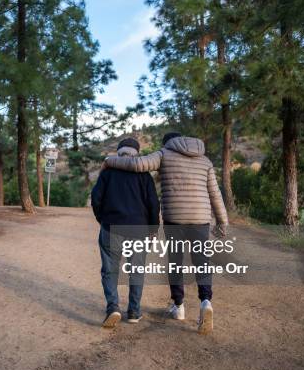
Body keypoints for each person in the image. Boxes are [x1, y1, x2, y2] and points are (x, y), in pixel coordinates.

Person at [103, 132, 228, 335]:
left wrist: (110, 160)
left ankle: (178, 306)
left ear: (167, 143)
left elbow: (137, 164)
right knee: (202, 261)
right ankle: (206, 301)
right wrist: (222, 221)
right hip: (200, 219)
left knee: (176, 262)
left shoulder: (165, 153)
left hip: (175, 218)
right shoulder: (205, 160)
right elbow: (215, 192)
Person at [91, 138, 160, 328]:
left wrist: (103, 219)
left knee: (110, 270)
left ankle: (113, 307)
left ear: (119, 152)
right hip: (138, 230)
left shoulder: (108, 173)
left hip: (111, 227)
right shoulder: (144, 175)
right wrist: (153, 228)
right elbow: (153, 204)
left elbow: (96, 198)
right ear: (136, 154)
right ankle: (134, 312)